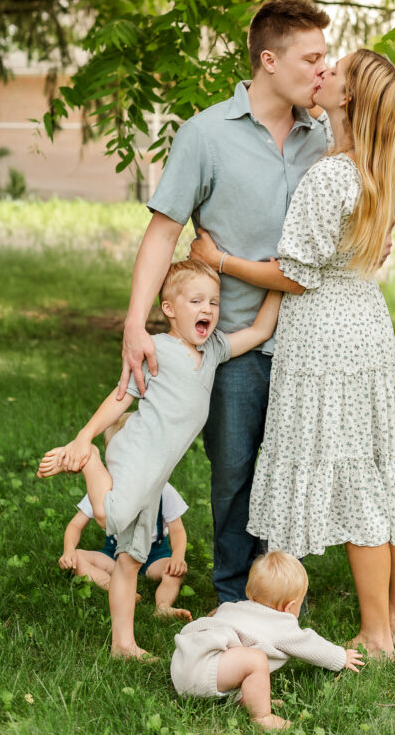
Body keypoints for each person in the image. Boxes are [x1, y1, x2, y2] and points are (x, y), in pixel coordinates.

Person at [189, 50, 395, 659]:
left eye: (335, 73)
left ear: (349, 99)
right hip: (367, 326)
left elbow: (294, 276)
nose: (322, 75)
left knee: (353, 479)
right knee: (380, 466)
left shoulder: (329, 175)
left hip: (327, 336)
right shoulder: (372, 167)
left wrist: (216, 259)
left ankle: (376, 637)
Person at [118, 0, 331, 604]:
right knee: (235, 474)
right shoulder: (206, 134)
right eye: (311, 57)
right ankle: (235, 599)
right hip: (231, 341)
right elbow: (163, 231)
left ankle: (284, 595)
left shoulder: (327, 136)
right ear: (269, 60)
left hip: (312, 340)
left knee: (296, 474)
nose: (322, 69)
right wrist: (136, 324)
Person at [38, 259, 281, 659]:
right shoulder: (156, 349)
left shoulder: (215, 348)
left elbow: (260, 331)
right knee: (108, 518)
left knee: (130, 560)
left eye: (214, 303)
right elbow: (122, 396)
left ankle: (123, 644)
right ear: (169, 308)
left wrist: (278, 283)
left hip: (156, 474)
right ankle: (90, 460)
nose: (208, 309)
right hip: (135, 455)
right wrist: (86, 437)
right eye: (196, 300)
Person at [170, 551, 364, 730]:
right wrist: (340, 656)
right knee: (255, 660)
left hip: (183, 664)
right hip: (205, 671)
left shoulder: (232, 606)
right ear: (290, 606)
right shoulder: (282, 625)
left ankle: (246, 697)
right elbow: (311, 645)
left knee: (243, 657)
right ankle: (262, 716)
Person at [59, 412, 193, 620]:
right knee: (77, 558)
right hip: (114, 555)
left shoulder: (162, 489)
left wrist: (178, 557)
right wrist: (68, 550)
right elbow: (76, 526)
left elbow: (177, 530)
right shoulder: (102, 490)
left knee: (173, 572)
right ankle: (118, 588)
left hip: (154, 556)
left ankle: (163, 606)